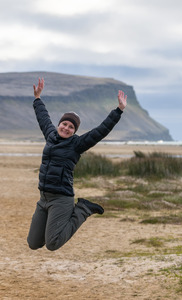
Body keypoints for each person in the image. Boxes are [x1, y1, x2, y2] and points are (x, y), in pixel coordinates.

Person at [27, 78, 127, 251]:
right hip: (43, 198)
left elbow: (100, 131)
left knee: (52, 244)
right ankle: (55, 224)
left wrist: (118, 110)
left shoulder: (77, 144)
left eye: (71, 127)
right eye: (64, 124)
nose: (66, 128)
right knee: (34, 243)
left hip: (61, 198)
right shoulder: (51, 135)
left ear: (75, 131)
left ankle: (83, 209)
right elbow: (43, 117)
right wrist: (37, 99)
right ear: (59, 124)